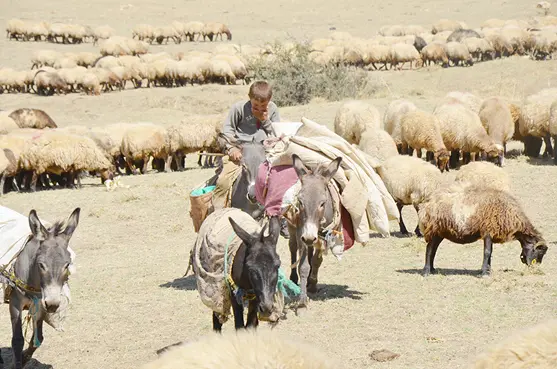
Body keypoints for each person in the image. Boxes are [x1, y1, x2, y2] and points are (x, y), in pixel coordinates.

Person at [209, 80, 289, 237]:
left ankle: (281, 218)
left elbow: (276, 134)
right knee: (224, 181)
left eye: (263, 107)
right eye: (255, 106)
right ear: (249, 98)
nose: (258, 110)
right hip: (240, 152)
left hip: (264, 152)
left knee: (280, 181)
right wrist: (231, 148)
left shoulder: (273, 110)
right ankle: (217, 215)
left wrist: (265, 120)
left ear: (269, 101)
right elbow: (227, 131)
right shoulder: (238, 108)